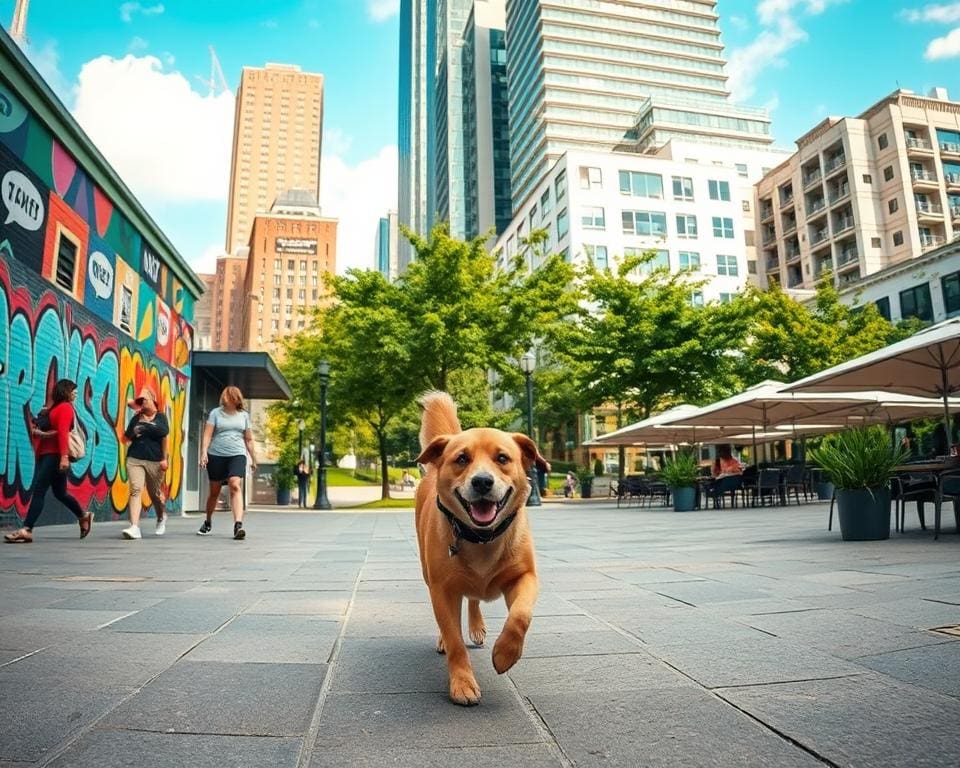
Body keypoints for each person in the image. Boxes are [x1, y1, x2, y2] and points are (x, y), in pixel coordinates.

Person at [4, 379, 92, 543]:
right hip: (50, 455)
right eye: (73, 390)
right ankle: (83, 515)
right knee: (60, 493)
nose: (76, 394)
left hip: (55, 456)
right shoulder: (57, 408)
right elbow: (56, 431)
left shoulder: (65, 408)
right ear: (64, 391)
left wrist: (64, 456)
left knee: (39, 491)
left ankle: (27, 529)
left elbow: (63, 433)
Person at [198, 386, 257, 540]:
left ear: (236, 398)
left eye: (230, 396)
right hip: (216, 455)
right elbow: (207, 435)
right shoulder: (215, 413)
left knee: (235, 484)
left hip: (237, 454)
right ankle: (208, 521)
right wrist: (204, 452)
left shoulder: (244, 415)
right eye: (225, 396)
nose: (226, 398)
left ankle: (238, 525)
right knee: (214, 492)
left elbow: (249, 439)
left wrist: (253, 458)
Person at [121, 387, 169, 540]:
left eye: (144, 399)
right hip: (135, 458)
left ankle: (161, 517)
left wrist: (164, 458)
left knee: (154, 494)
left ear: (153, 400)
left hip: (155, 460)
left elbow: (163, 433)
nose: (141, 403)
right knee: (135, 490)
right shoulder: (136, 418)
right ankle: (134, 527)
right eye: (139, 400)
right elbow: (126, 438)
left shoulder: (161, 417)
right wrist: (133, 432)